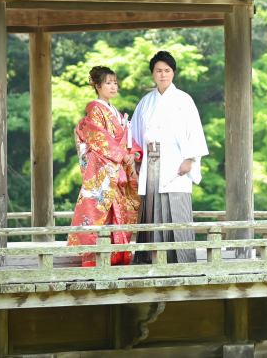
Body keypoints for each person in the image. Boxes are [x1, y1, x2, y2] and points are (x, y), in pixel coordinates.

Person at [131, 51, 209, 263]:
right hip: (150, 162)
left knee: (177, 208)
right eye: (159, 71)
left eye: (167, 70)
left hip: (176, 162)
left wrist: (189, 159)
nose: (163, 74)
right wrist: (137, 159)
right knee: (151, 209)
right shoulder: (146, 102)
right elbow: (135, 134)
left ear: (173, 73)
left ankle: (182, 261)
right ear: (153, 74)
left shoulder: (184, 100)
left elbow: (194, 130)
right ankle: (150, 260)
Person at [67, 66, 142, 267]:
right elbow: (98, 139)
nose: (113, 86)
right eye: (108, 83)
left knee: (118, 212)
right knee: (103, 212)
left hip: (118, 170)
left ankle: (116, 256)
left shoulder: (114, 112)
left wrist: (133, 152)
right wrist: (121, 155)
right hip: (106, 171)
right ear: (97, 86)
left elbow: (124, 137)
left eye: (115, 83)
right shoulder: (95, 110)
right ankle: (100, 258)